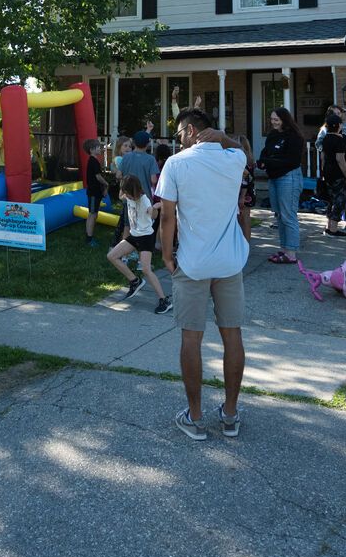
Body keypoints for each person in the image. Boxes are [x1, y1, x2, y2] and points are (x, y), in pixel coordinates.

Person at [157, 109, 250, 441]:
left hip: (193, 263)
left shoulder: (177, 164)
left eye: (179, 132)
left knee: (191, 339)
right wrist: (224, 137)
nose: (177, 139)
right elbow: (244, 151)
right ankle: (230, 413)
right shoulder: (232, 159)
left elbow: (168, 217)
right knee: (232, 336)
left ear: (191, 129)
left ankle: (195, 416)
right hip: (229, 262)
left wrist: (167, 256)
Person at [105, 175, 171, 314]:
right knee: (112, 256)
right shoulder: (127, 197)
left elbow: (153, 217)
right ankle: (135, 281)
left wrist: (154, 208)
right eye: (125, 193)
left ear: (134, 192)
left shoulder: (144, 200)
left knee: (146, 270)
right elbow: (121, 195)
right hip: (134, 235)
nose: (126, 196)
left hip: (146, 237)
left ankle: (164, 300)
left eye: (128, 193)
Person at [259, 107, 307, 264]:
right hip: (274, 177)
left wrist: (269, 162)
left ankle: (291, 252)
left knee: (288, 214)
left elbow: (292, 161)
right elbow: (265, 152)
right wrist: (262, 161)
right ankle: (284, 249)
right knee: (279, 214)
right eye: (272, 119)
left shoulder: (294, 137)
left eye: (276, 120)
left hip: (289, 177)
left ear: (284, 120)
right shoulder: (273, 135)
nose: (273, 122)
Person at [319, 107, 346, 236]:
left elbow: (322, 157)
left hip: (328, 174)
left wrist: (323, 172)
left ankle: (329, 227)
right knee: (340, 201)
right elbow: (340, 159)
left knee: (331, 200)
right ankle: (333, 229)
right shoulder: (339, 139)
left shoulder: (326, 139)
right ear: (338, 125)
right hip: (338, 175)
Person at [82, 138, 108, 246]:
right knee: (92, 214)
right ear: (92, 150)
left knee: (94, 214)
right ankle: (89, 238)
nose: (100, 149)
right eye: (98, 147)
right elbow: (98, 177)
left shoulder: (94, 160)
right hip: (93, 193)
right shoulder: (93, 161)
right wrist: (106, 183)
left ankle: (89, 234)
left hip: (96, 192)